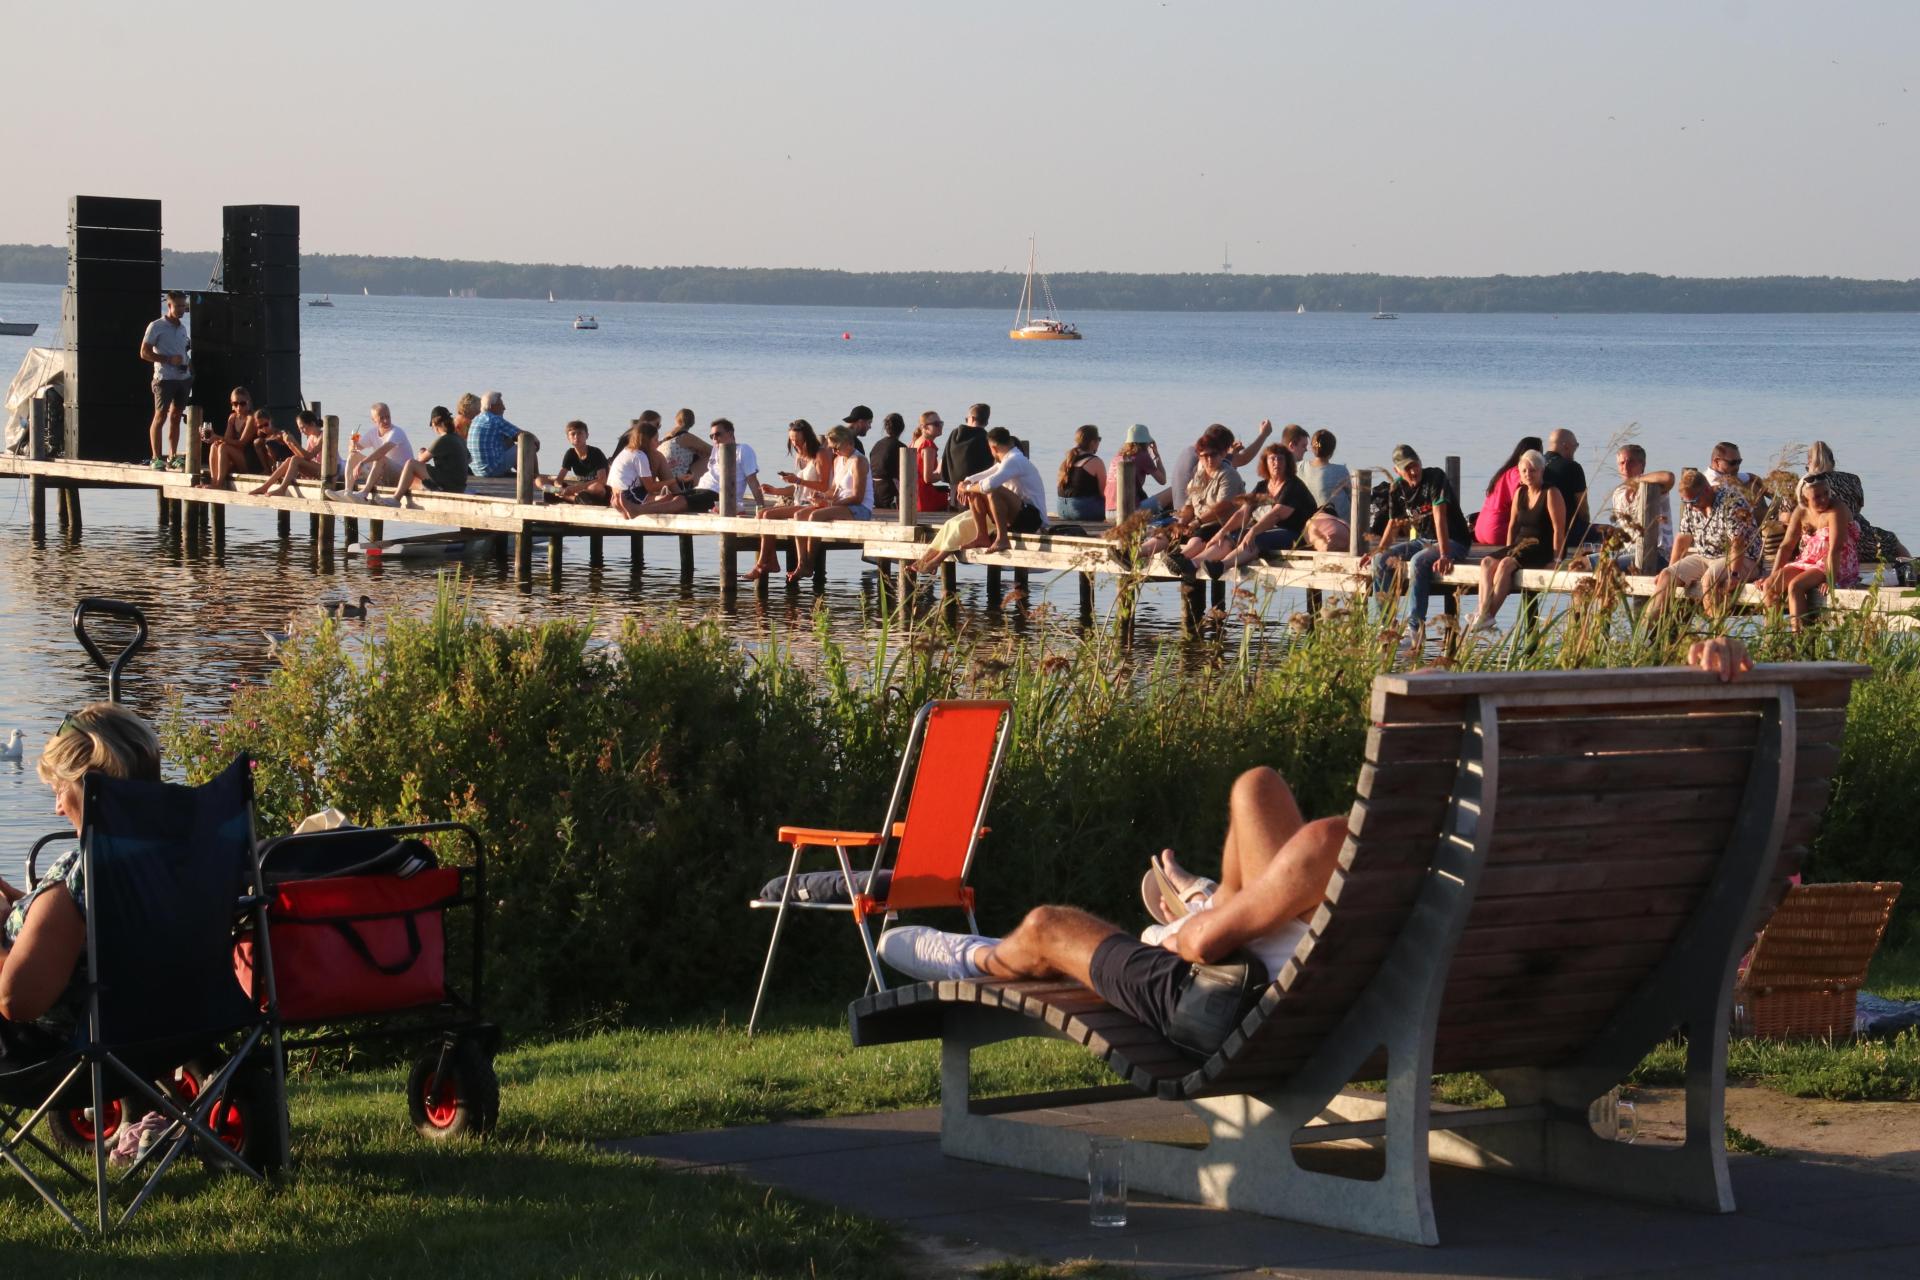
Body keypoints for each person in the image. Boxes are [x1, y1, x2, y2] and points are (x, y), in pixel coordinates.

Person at [1, 705, 164, 1046]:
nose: (57, 808)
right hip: (168, 1023)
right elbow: (77, 925)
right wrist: (16, 902)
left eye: (61, 790)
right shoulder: (174, 857)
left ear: (91, 791)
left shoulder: (82, 873)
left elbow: (16, 1001)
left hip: (64, 1041)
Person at [1364, 444, 1472, 647]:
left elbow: (1439, 517)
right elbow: (1394, 524)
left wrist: (1445, 555)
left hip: (1452, 540)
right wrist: (1377, 551)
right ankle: (1387, 626)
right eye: (1408, 468)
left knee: (1418, 562)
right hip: (1423, 540)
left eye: (1416, 465)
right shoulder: (1397, 488)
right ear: (1397, 471)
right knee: (1380, 561)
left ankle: (1416, 629)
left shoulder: (1435, 477)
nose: (1414, 471)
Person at [911, 427, 1047, 574]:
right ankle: (978, 537)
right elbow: (984, 475)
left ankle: (1002, 538)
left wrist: (968, 488)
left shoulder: (1015, 460)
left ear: (993, 447)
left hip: (1031, 518)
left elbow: (989, 484)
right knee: (953, 522)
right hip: (1014, 515)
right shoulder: (1006, 461)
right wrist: (966, 482)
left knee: (991, 490)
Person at [1466, 449, 1567, 632]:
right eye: (1524, 471)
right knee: (1487, 562)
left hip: (1540, 546)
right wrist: (1507, 548)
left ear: (1541, 471)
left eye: (1532, 470)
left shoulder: (1551, 493)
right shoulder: (1520, 492)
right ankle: (1482, 612)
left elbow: (1559, 529)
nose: (1528, 474)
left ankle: (1489, 616)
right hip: (1519, 544)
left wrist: (1556, 559)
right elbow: (1512, 525)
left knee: (1506, 564)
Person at [1645, 468, 1758, 623]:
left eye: (1694, 501)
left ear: (1706, 489)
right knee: (1666, 575)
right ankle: (1649, 632)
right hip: (1705, 557)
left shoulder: (1731, 501)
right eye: (1686, 502)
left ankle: (1714, 633)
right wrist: (1672, 568)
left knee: (1709, 579)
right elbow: (1682, 539)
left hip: (1740, 558)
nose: (1691, 506)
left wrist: (1735, 575)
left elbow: (1737, 543)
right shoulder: (1692, 506)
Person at [1189, 444, 1317, 578]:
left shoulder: (1293, 486)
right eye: (1272, 459)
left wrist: (1253, 531)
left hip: (1296, 534)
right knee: (1230, 537)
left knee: (1254, 539)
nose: (1276, 463)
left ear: (1287, 463)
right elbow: (1243, 513)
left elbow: (1276, 515)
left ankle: (1221, 566)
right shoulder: (1262, 486)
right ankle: (1193, 564)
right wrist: (1222, 532)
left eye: (1280, 459)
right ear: (1265, 463)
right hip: (1272, 530)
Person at [1137, 426, 1247, 569]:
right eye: (1204, 456)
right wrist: (1182, 523)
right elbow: (1189, 505)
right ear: (1199, 456)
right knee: (1168, 531)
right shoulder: (1199, 475)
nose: (1209, 459)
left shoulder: (1228, 474)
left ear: (1221, 454)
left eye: (1213, 455)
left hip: (1218, 524)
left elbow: (1223, 506)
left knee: (1198, 537)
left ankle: (1181, 559)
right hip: (1198, 521)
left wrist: (1197, 522)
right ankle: (1133, 554)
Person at [1761, 473, 1860, 631]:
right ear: (1805, 498)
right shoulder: (1801, 511)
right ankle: (1773, 637)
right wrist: (1773, 574)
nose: (1824, 499)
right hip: (1809, 559)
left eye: (1826, 494)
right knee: (1769, 585)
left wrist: (1830, 580)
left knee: (1796, 586)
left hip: (1836, 561)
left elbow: (1836, 548)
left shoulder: (1836, 510)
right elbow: (1786, 546)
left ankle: (1799, 639)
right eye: (1817, 497)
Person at [743, 420, 828, 580]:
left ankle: (762, 564)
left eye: (798, 440)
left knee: (767, 516)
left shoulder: (820, 454)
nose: (795, 444)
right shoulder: (801, 457)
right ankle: (772, 560)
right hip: (799, 502)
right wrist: (775, 491)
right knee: (762, 513)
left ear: (807, 438)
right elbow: (798, 488)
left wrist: (797, 480)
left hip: (813, 504)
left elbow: (823, 485)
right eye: (792, 440)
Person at [788, 425, 873, 579]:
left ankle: (809, 565)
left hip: (858, 508)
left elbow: (857, 497)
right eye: (832, 449)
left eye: (837, 448)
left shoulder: (859, 461)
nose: (834, 452)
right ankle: (801, 563)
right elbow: (833, 490)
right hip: (841, 504)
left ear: (849, 443)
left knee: (815, 517)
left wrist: (831, 504)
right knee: (799, 515)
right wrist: (822, 497)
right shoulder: (838, 461)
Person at [1804, 440, 1909, 562]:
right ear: (1832, 461)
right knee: (1893, 541)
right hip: (1859, 541)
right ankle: (1912, 573)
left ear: (1808, 463)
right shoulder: (1852, 479)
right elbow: (1859, 507)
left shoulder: (1805, 485)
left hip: (1819, 544)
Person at [1591, 444, 1675, 573]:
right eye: (1621, 463)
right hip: (1629, 552)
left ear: (1642, 464)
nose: (1625, 467)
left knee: (1603, 567)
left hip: (1657, 555)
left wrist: (1637, 480)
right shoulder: (1618, 493)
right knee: (1582, 563)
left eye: (1630, 462)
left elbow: (1668, 477)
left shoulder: (1654, 487)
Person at [139, 291, 192, 471]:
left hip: (182, 379)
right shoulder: (156, 326)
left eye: (183, 306)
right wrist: (168, 360)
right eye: (177, 306)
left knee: (176, 417)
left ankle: (173, 456)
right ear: (169, 305)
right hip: (164, 379)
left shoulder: (183, 328)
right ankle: (156, 457)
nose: (181, 309)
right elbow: (144, 353)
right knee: (160, 416)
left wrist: (189, 366)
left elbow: (183, 352)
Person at [384, 405, 472, 506]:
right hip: (460, 486)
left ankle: (396, 499)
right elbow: (469, 459)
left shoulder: (443, 439)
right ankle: (420, 487)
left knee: (411, 464)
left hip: (449, 485)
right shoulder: (458, 438)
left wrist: (421, 453)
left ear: (434, 424)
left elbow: (421, 459)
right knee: (421, 471)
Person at [685, 417, 766, 514]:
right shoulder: (716, 449)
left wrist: (761, 507)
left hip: (718, 495)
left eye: (718, 434)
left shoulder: (743, 450)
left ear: (730, 433)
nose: (714, 438)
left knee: (678, 502)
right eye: (712, 436)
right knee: (670, 497)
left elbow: (752, 481)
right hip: (700, 489)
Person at [1474, 435, 1544, 547]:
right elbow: (1524, 500)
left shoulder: (1504, 472)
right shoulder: (1518, 474)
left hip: (1480, 529)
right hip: (1497, 530)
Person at [345, 403, 413, 499]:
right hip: (383, 473)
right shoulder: (372, 432)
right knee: (353, 456)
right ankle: (347, 491)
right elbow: (353, 450)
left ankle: (364, 493)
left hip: (402, 476)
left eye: (388, 417)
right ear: (374, 420)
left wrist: (362, 463)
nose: (386, 420)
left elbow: (382, 451)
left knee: (380, 458)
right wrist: (352, 442)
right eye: (382, 418)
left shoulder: (396, 432)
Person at [201, 386, 264, 489]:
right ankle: (214, 481)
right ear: (232, 405)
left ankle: (219, 483)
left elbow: (242, 443)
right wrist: (214, 439)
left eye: (242, 403)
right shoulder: (232, 417)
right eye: (235, 404)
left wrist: (217, 437)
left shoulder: (251, 418)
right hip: (236, 458)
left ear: (248, 403)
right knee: (215, 446)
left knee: (223, 447)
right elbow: (227, 439)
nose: (239, 407)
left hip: (249, 460)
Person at [251, 410, 326, 495]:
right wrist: (290, 444)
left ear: (312, 424)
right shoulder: (311, 437)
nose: (301, 431)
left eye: (302, 427)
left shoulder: (323, 436)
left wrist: (295, 443)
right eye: (300, 429)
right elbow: (303, 458)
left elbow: (309, 456)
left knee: (294, 459)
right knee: (289, 459)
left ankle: (282, 489)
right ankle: (265, 487)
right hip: (317, 469)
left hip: (327, 471)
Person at [538, 420, 610, 505]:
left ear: (587, 435)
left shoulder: (596, 452)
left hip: (598, 491)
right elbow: (559, 479)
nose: (576, 437)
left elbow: (602, 480)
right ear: (568, 438)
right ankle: (575, 498)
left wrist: (576, 488)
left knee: (596, 487)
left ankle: (573, 497)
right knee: (539, 480)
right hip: (579, 491)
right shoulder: (570, 453)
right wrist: (559, 488)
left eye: (580, 433)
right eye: (573, 434)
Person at [471, 390, 536, 479]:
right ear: (491, 406)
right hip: (492, 471)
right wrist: (535, 440)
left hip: (477, 472)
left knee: (507, 441)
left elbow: (512, 435)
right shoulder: (494, 420)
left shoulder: (476, 419)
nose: (504, 408)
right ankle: (535, 477)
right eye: (501, 405)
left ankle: (524, 473)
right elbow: (524, 435)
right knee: (527, 445)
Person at [1542, 429, 1591, 547]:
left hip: (1539, 530)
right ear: (1566, 446)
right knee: (1609, 532)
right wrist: (1586, 526)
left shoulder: (1534, 465)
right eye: (1576, 445)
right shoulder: (1572, 467)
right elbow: (1582, 507)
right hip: (1567, 531)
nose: (1576, 449)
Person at [1106, 424, 1165, 515]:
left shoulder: (1117, 457)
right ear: (1146, 442)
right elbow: (1162, 480)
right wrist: (1157, 456)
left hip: (1108, 513)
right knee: (1172, 491)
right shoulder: (1142, 456)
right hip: (1128, 512)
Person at [609, 422, 661, 518]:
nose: (658, 442)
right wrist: (676, 480)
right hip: (628, 495)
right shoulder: (640, 456)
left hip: (616, 493)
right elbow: (651, 487)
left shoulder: (626, 451)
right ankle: (629, 508)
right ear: (646, 441)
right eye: (655, 440)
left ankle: (620, 505)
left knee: (658, 496)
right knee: (668, 498)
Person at [1055, 425, 1107, 522]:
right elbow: (1104, 493)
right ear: (1092, 442)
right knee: (1117, 509)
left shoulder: (1067, 460)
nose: (1099, 443)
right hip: (1081, 510)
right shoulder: (1095, 461)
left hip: (1061, 509)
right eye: (1099, 439)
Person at [1299, 428, 1350, 524]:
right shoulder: (1340, 471)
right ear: (1332, 450)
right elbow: (1352, 496)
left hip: (1309, 523)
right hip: (1338, 524)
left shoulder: (1301, 467)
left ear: (1312, 448)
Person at [940, 403, 994, 492]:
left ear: (972, 418)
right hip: (976, 490)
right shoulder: (987, 439)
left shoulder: (955, 434)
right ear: (986, 421)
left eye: (966, 419)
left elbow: (944, 464)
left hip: (955, 491)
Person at [661, 408, 712, 494]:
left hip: (663, 481)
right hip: (680, 482)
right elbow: (714, 451)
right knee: (711, 457)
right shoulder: (686, 438)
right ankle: (705, 488)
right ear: (693, 422)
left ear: (676, 420)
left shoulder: (665, 438)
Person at [913, 412, 950, 514]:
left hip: (913, 497)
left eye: (941, 423)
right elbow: (928, 478)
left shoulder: (915, 442)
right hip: (925, 499)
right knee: (956, 497)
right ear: (924, 427)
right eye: (936, 424)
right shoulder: (928, 445)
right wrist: (946, 474)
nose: (940, 427)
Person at [870, 412, 906, 509]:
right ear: (902, 428)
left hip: (874, 490)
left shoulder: (877, 445)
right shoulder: (901, 448)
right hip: (890, 491)